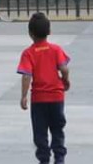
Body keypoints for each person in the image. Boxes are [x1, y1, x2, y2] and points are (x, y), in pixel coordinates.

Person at [18, 13, 70, 164]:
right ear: (49, 32)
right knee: (57, 129)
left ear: (30, 34)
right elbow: (64, 69)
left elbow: (26, 75)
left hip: (39, 100)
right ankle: (59, 158)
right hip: (56, 98)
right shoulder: (56, 50)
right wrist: (65, 81)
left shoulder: (28, 53)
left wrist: (23, 95)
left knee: (40, 133)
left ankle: (44, 159)